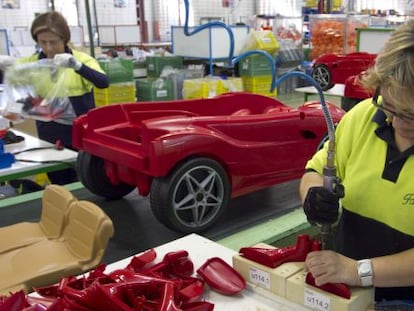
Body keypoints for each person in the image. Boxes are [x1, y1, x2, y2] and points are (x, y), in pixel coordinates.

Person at [300, 19, 414, 301]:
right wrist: (312, 194)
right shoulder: (364, 116)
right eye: (390, 106)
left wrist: (357, 270)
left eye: (411, 114)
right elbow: (315, 170)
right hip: (346, 289)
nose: (397, 121)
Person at [16, 11, 109, 184]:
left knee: (87, 181)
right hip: (49, 135)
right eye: (43, 42)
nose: (49, 48)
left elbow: (103, 82)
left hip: (80, 134)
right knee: (59, 182)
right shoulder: (31, 64)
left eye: (54, 42)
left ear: (64, 39)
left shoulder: (81, 59)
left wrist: (77, 66)